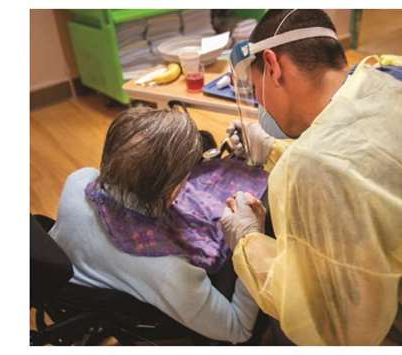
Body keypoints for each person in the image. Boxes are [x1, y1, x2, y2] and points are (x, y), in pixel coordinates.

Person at [221, 10, 402, 345]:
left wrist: (248, 242)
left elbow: (332, 326)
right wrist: (274, 150)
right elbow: (376, 163)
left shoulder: (315, 169)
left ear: (273, 66)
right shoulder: (398, 71)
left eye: (255, 88)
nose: (259, 103)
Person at [48, 107, 269, 344]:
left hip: (69, 287)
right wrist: (251, 243)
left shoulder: (79, 180)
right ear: (173, 190)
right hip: (141, 313)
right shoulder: (170, 270)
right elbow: (238, 329)